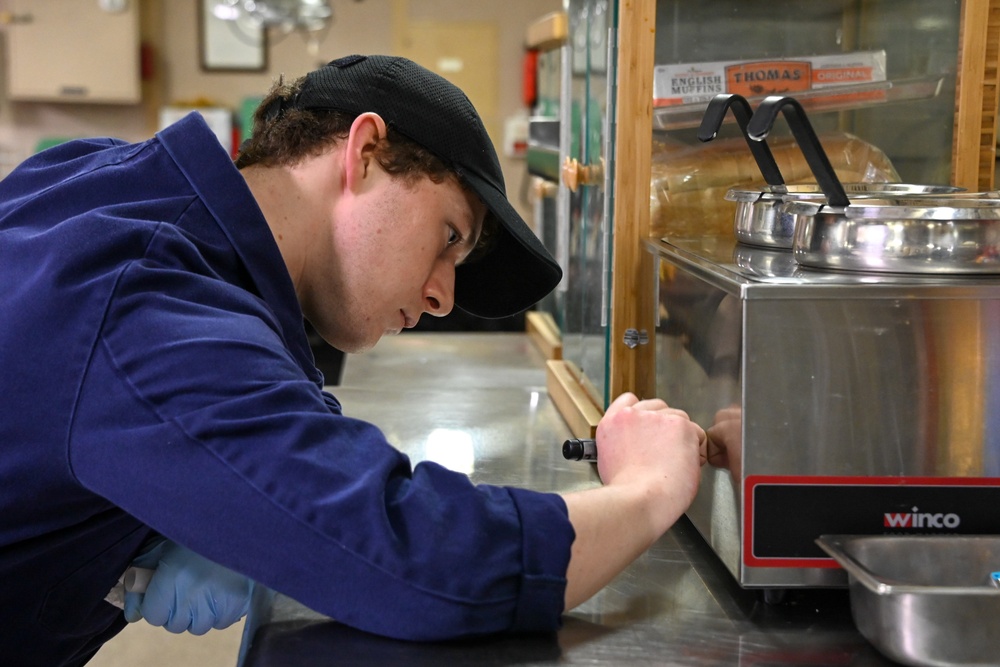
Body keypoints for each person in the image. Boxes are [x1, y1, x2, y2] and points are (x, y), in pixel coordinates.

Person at [0, 55, 707, 666]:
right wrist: (646, 491)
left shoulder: (104, 183)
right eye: (449, 235)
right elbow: (415, 559)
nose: (441, 295)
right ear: (365, 151)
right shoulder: (144, 297)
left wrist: (168, 522)